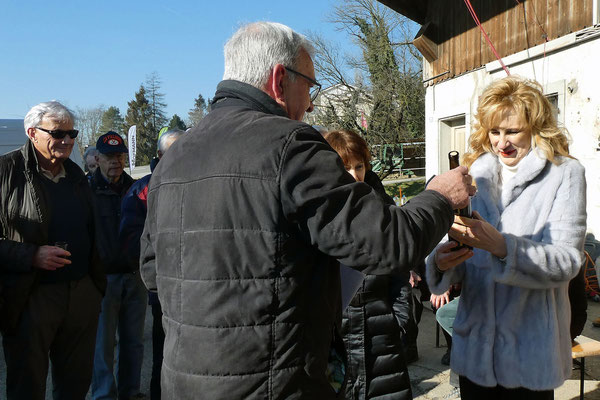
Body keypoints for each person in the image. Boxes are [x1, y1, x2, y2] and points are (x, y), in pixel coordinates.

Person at [140, 21, 475, 399]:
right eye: (309, 85)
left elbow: (153, 272)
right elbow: (388, 243)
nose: (312, 103)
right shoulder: (290, 144)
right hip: (274, 383)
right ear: (279, 79)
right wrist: (441, 196)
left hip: (184, 383)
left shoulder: (175, 157)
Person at [426, 76, 587, 399]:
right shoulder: (476, 175)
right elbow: (467, 254)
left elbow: (568, 262)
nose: (502, 143)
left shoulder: (564, 173)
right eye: (494, 132)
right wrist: (443, 262)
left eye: (512, 131)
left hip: (529, 354)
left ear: (536, 127)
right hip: (476, 353)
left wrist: (502, 246)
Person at [0, 101, 106, 399]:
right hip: (31, 296)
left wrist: (95, 288)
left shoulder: (75, 176)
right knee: (27, 384)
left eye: (72, 133)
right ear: (32, 133)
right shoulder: (6, 171)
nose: (67, 140)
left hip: (81, 293)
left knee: (75, 383)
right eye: (58, 133)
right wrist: (31, 255)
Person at [323, 129, 413, 400]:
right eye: (344, 166)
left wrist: (398, 323)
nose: (353, 175)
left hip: (382, 343)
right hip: (336, 349)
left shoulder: (384, 213)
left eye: (358, 166)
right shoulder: (317, 216)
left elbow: (399, 273)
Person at [119, 129, 185, 400]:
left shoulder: (196, 181)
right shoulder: (144, 188)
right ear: (159, 155)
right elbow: (132, 238)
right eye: (174, 151)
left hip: (196, 285)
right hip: (164, 287)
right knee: (164, 355)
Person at [90, 132, 143, 400]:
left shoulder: (135, 189)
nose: (116, 162)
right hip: (103, 280)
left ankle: (130, 393)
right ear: (97, 158)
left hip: (135, 276)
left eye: (120, 156)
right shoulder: (86, 191)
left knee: (134, 342)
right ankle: (104, 396)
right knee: (103, 346)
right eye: (110, 157)